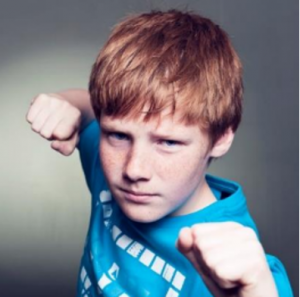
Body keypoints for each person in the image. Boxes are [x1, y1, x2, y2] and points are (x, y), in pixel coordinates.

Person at [26, 9, 293, 297]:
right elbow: (94, 109)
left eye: (168, 142)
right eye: (119, 135)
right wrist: (65, 104)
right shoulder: (106, 161)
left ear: (221, 138)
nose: (134, 170)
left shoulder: (244, 276)